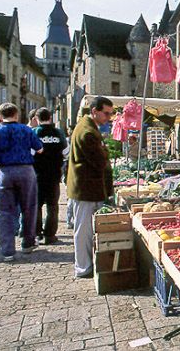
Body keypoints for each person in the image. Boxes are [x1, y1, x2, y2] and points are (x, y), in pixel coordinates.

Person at [0, 103, 43, 262]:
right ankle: (27, 243)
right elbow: (40, 149)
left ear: (0, 117)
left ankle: (8, 251)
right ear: (17, 115)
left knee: (4, 211)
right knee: (29, 208)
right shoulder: (26, 130)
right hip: (26, 170)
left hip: (5, 171)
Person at [67, 96, 114, 278]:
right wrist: (105, 153)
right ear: (94, 111)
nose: (109, 117)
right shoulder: (87, 132)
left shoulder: (88, 127)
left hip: (87, 187)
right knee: (84, 230)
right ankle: (83, 267)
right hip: (86, 187)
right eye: (106, 113)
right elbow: (99, 160)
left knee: (85, 228)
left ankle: (85, 265)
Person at [33, 108, 67, 244]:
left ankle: (37, 233)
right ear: (50, 118)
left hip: (37, 174)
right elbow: (66, 152)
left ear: (37, 119)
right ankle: (50, 234)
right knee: (52, 206)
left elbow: (29, 153)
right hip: (54, 174)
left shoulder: (34, 133)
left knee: (37, 205)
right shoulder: (58, 133)